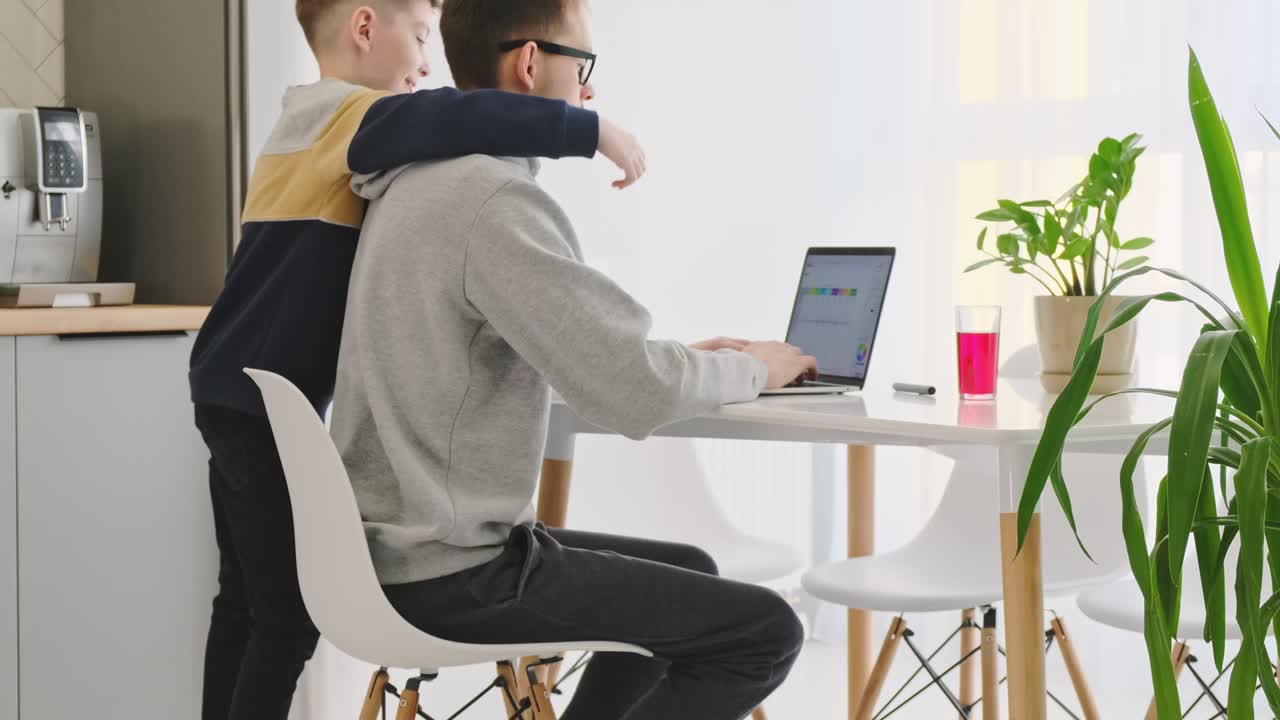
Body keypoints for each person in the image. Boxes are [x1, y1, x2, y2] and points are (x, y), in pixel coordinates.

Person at [331, 1, 815, 717]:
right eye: (583, 67)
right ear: (531, 64)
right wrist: (759, 369)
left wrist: (671, 358)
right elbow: (633, 393)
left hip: (389, 553)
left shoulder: (414, 181)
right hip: (455, 571)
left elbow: (570, 359)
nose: (589, 92)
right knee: (764, 631)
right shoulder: (490, 198)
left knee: (691, 570)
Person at [187, 1, 648, 717]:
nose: (429, 65)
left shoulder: (300, 123)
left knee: (245, 603)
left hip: (230, 391)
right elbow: (448, 118)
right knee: (282, 618)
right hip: (258, 408)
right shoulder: (346, 116)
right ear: (366, 28)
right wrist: (588, 130)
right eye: (421, 37)